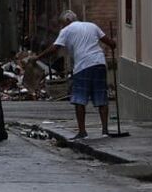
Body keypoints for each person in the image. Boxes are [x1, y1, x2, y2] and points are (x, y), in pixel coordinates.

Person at [29, 10, 117, 140]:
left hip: (83, 66)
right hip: (99, 63)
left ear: (68, 21)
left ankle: (82, 131)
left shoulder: (66, 30)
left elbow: (55, 48)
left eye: (62, 24)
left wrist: (38, 57)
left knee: (79, 100)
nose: (62, 27)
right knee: (101, 97)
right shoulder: (92, 26)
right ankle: (105, 131)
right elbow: (110, 42)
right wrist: (112, 45)